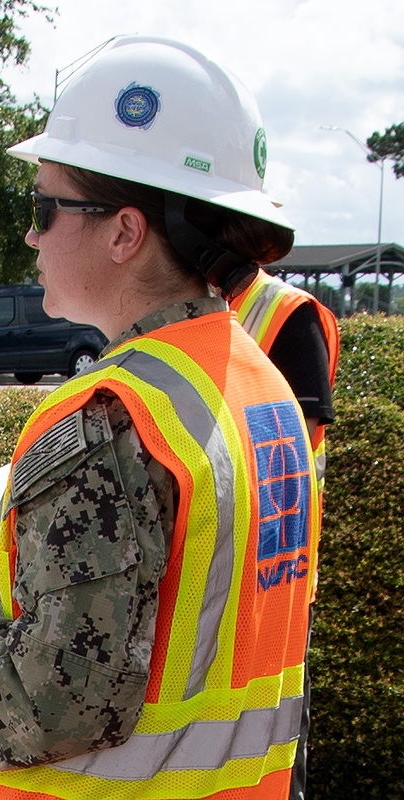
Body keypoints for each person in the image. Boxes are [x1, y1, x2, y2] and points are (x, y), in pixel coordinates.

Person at [0, 35, 319, 800]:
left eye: (46, 207)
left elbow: (53, 703)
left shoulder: (113, 419)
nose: (32, 234)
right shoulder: (254, 382)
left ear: (124, 232)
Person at [227, 268, 340, 800]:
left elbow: (298, 437)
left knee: (272, 744)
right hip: (218, 573)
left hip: (273, 571)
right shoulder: (186, 295)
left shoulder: (285, 314)